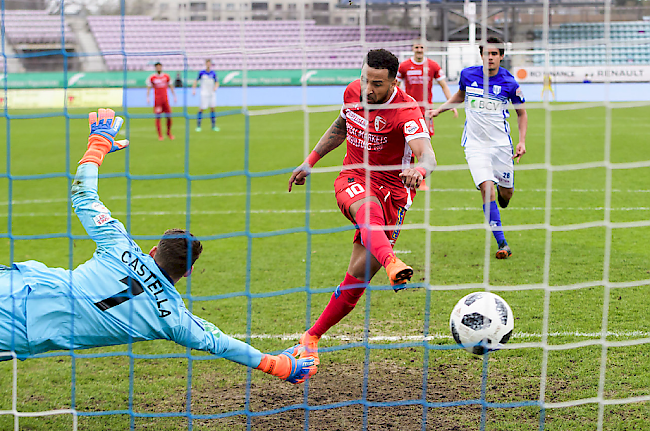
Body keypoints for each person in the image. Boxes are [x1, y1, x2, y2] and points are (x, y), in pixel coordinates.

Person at [0, 109, 313, 385]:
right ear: (188, 272)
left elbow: (83, 197)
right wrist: (280, 365)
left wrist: (97, 147)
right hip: (22, 333)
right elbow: (221, 343)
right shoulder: (172, 318)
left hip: (17, 284)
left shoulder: (117, 243)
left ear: (153, 251)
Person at [287, 49, 437, 382]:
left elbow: (428, 155)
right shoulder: (354, 91)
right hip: (352, 179)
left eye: (377, 84)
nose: (368, 89)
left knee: (357, 276)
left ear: (394, 82)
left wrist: (420, 170)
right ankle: (392, 262)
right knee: (366, 210)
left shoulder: (406, 110)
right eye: (365, 79)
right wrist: (309, 162)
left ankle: (310, 337)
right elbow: (341, 125)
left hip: (393, 196)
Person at [429, 36, 527, 259]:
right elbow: (460, 96)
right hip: (474, 145)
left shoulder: (510, 83)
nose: (490, 57)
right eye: (486, 53)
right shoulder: (467, 75)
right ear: (481, 55)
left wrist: (521, 141)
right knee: (486, 188)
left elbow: (521, 113)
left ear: (501, 56)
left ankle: (502, 196)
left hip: (501, 146)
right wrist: (439, 110)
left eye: (494, 54)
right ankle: (502, 243)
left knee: (506, 193)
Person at [397, 42, 457, 191]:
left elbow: (443, 85)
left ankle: (420, 178)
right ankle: (404, 174)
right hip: (407, 110)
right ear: (412, 49)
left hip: (426, 113)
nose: (419, 50)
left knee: (424, 145)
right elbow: (395, 86)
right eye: (416, 47)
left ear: (425, 49)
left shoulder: (433, 66)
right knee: (406, 144)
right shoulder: (404, 66)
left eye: (421, 47)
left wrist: (451, 104)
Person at [146, 62, 177, 141]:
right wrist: (148, 97)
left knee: (169, 117)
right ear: (155, 68)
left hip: (165, 100)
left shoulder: (166, 76)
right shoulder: (152, 78)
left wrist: (174, 96)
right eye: (157, 67)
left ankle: (169, 132)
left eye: (160, 67)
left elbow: (171, 86)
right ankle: (160, 135)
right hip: (157, 101)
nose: (159, 68)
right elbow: (149, 88)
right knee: (158, 117)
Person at [191, 59, 220, 132]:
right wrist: (193, 90)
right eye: (207, 63)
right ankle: (198, 126)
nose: (208, 65)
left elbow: (217, 82)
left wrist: (215, 87)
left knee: (213, 108)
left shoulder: (213, 73)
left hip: (211, 94)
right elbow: (195, 81)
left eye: (209, 63)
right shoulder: (201, 73)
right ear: (205, 64)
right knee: (201, 108)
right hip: (204, 93)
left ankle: (213, 126)